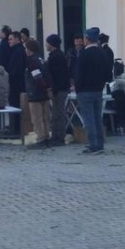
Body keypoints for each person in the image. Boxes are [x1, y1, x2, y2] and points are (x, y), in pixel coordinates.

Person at [74, 26, 114, 154]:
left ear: (87, 38)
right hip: (98, 90)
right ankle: (100, 144)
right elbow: (108, 73)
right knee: (97, 118)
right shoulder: (102, 53)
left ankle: (93, 145)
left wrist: (77, 88)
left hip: (85, 90)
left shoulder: (84, 53)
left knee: (88, 119)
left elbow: (79, 73)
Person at [43, 32, 71, 147]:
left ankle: (58, 137)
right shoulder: (59, 55)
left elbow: (55, 76)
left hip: (59, 89)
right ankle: (57, 136)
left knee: (57, 113)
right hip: (61, 88)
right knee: (57, 113)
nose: (46, 45)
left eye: (47, 43)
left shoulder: (55, 58)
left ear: (52, 44)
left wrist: (51, 89)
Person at [0, 25, 27, 132]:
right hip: (17, 83)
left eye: (11, 39)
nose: (8, 41)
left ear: (17, 39)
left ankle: (15, 128)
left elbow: (16, 70)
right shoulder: (17, 50)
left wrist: (9, 76)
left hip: (16, 84)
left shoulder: (18, 52)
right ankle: (14, 127)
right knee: (14, 104)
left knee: (15, 105)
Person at [22, 42, 51, 144]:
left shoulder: (31, 61)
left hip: (35, 93)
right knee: (45, 117)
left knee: (36, 118)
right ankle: (46, 136)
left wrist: (42, 88)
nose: (25, 50)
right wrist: (47, 89)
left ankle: (40, 138)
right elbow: (46, 75)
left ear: (30, 49)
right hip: (44, 94)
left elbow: (37, 77)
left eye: (26, 48)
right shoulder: (40, 59)